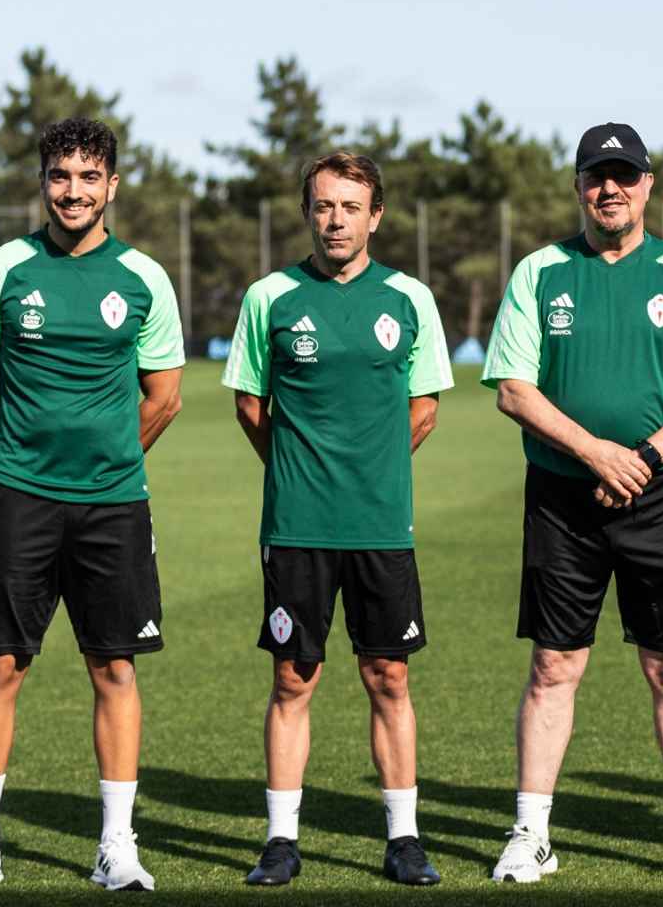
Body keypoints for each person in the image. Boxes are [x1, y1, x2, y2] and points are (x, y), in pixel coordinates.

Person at [480, 122, 663, 885]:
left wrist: (645, 457)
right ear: (578, 186)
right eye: (598, 175)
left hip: (660, 494)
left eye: (625, 175)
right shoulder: (540, 272)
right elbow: (513, 390)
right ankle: (531, 832)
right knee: (555, 663)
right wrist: (595, 452)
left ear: (648, 186)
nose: (611, 188)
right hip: (564, 495)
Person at [0, 118, 184, 892]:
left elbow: (165, 398)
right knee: (2, 663)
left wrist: (102, 462)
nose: (73, 192)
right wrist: (23, 464)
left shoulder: (144, 277)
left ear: (113, 185)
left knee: (114, 666)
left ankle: (117, 844)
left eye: (88, 177)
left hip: (114, 505)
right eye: (59, 176)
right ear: (43, 183)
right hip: (20, 502)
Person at [222, 151, 454, 887]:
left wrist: (368, 468)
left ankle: (404, 837)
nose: (336, 220)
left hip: (382, 525)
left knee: (389, 676)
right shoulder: (271, 296)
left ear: (376, 216)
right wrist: (300, 469)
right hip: (297, 526)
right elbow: (251, 405)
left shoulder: (410, 298)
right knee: (294, 678)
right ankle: (282, 840)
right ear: (307, 213)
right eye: (324, 206)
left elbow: (425, 407)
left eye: (351, 207)